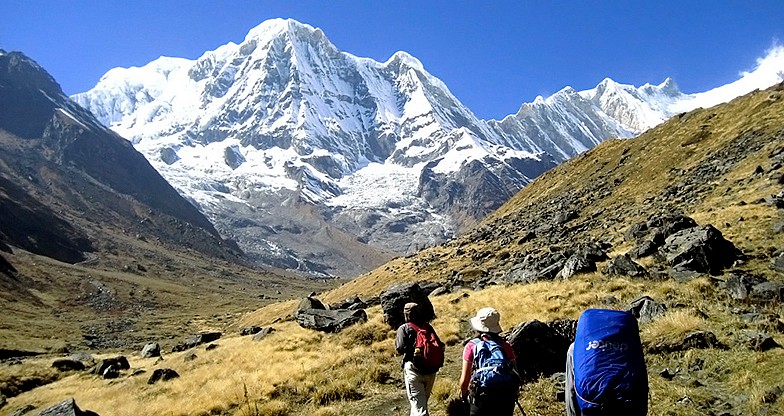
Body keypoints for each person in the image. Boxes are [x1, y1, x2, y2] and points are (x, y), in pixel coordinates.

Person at [459, 307, 519, 416]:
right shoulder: (505, 346)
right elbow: (515, 373)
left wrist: (464, 396)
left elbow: (464, 380)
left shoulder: (471, 346)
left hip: (481, 397)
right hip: (505, 397)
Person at [395, 302, 440, 416]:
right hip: (431, 369)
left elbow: (399, 348)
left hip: (413, 369)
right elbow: (439, 344)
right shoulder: (427, 327)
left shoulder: (404, 328)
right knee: (421, 403)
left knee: (419, 406)